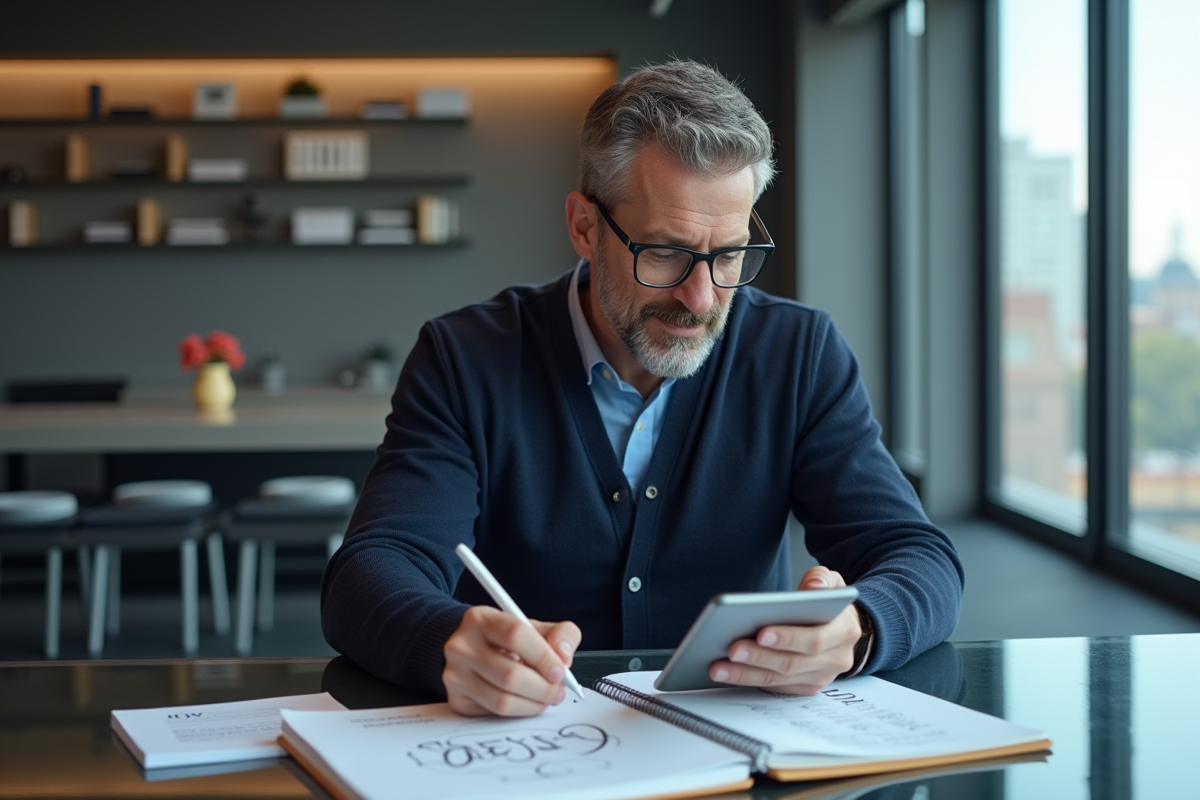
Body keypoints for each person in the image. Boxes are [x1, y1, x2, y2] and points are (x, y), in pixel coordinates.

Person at [321, 60, 963, 718]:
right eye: (665, 253)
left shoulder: (797, 353)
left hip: (739, 757)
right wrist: (445, 642)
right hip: (533, 756)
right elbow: (371, 572)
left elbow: (917, 556)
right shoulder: (465, 358)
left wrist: (858, 630)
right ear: (583, 227)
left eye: (730, 253)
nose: (702, 296)